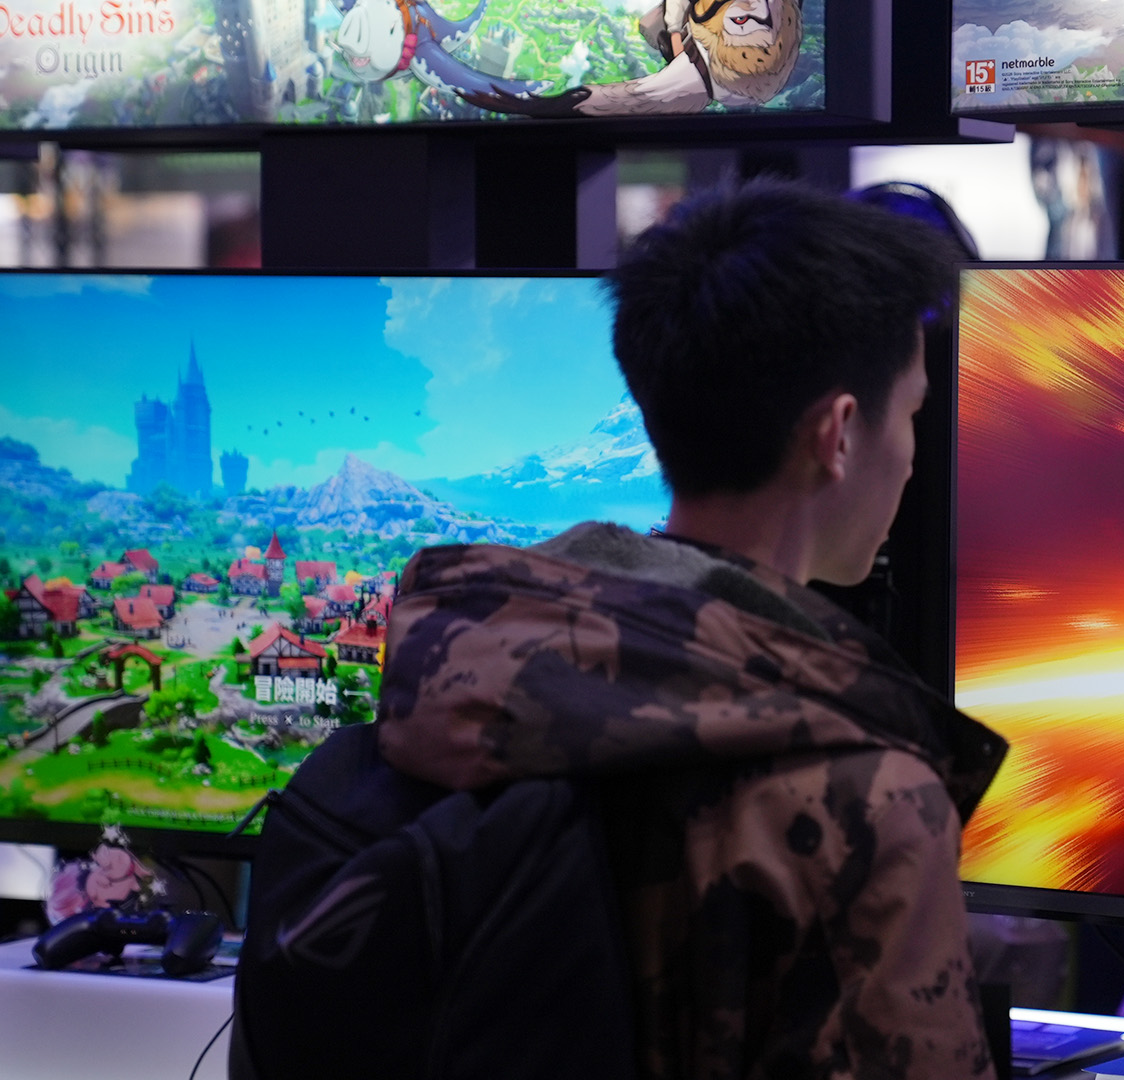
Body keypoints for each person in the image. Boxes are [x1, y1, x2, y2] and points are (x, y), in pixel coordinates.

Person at [374, 179, 1008, 1079]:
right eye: (912, 413)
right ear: (838, 434)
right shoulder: (864, 797)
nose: (913, 456)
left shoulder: (450, 675)